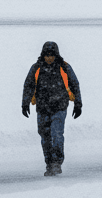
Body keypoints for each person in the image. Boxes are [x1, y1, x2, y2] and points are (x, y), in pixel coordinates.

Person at [22, 41, 82, 176]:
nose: (49, 58)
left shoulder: (64, 68)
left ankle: (57, 162)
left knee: (56, 135)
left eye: (52, 55)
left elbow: (75, 85)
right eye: (47, 55)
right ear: (43, 55)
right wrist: (25, 103)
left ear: (56, 55)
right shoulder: (36, 68)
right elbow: (28, 86)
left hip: (59, 107)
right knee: (45, 137)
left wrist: (78, 104)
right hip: (42, 108)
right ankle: (49, 163)